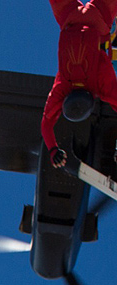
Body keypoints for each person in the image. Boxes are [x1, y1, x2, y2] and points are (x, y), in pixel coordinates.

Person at [41, 0, 117, 167]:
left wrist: (54, 150)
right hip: (69, 15)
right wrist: (52, 149)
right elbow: (45, 124)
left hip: (99, 18)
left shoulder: (100, 84)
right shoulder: (63, 86)